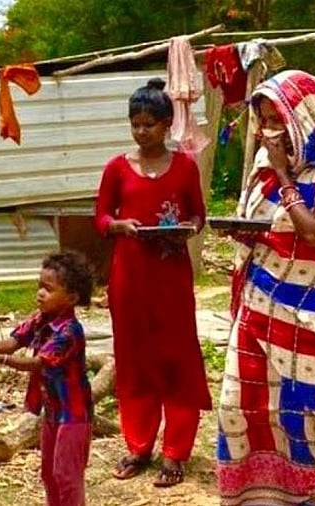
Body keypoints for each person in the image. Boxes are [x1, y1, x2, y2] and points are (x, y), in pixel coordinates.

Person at [216, 70, 315, 506]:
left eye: (277, 118)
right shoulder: (266, 168)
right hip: (258, 306)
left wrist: (283, 175)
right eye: (262, 120)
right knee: (245, 407)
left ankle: (304, 495)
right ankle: (256, 496)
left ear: (305, 116)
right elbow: (263, 227)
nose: (268, 131)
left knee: (306, 415)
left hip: (309, 311)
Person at [94, 78, 212, 487]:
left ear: (167, 125)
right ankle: (139, 447)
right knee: (135, 362)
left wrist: (186, 230)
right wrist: (119, 226)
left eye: (149, 124)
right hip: (129, 280)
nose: (141, 131)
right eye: (135, 123)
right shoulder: (116, 168)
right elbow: (101, 217)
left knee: (177, 360)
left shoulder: (184, 167)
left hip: (171, 278)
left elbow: (199, 215)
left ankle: (176, 453)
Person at [0, 251, 94, 506]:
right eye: (40, 286)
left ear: (71, 298)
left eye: (48, 289)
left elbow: (37, 363)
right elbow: (12, 342)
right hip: (53, 411)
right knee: (49, 473)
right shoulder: (41, 319)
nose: (40, 293)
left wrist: (0, 360)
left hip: (74, 415)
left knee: (67, 475)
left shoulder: (70, 331)